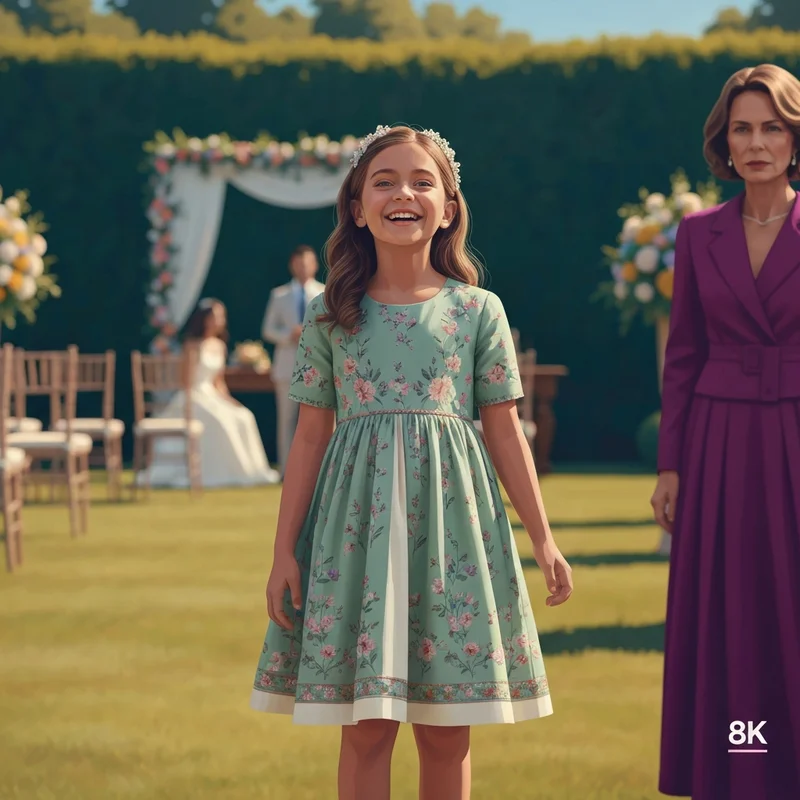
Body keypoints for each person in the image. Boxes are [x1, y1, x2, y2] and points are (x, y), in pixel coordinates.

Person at [249, 125, 573, 800]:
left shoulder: (478, 310)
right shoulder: (328, 315)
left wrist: (542, 538)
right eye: (385, 181)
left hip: (454, 535)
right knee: (366, 726)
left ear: (449, 207)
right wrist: (284, 551)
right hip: (353, 537)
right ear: (358, 207)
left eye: (423, 181)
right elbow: (309, 439)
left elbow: (505, 431)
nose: (405, 193)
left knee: (447, 726)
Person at [651, 64, 800, 800]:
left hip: (796, 439)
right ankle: (739, 762)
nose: (757, 142)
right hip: (716, 446)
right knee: (731, 609)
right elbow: (683, 357)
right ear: (725, 141)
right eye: (742, 128)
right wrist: (671, 466)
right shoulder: (698, 233)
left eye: (772, 126)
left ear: (795, 138)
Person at [143, 298, 281, 488]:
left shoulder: (220, 346)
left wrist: (231, 402)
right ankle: (213, 472)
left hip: (212, 395)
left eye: (221, 317)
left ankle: (248, 470)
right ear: (204, 319)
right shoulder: (191, 345)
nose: (219, 321)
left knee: (243, 416)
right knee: (219, 421)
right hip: (192, 396)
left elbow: (219, 383)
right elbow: (186, 381)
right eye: (215, 317)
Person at [262, 245, 325, 478]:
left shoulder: (324, 292)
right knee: (286, 420)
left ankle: (317, 469)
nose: (303, 267)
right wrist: (289, 334)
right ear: (292, 265)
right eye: (299, 263)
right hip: (287, 365)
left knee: (317, 419)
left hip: (317, 366)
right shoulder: (279, 295)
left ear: (315, 265)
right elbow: (268, 329)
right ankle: (287, 471)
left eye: (307, 262)